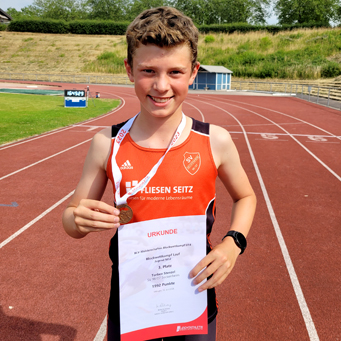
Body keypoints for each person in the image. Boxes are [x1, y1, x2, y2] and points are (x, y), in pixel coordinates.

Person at [62, 6, 256, 341]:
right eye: (148, 70)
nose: (161, 85)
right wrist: (78, 220)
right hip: (131, 300)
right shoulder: (106, 144)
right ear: (129, 69)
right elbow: (71, 219)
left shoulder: (215, 141)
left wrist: (233, 243)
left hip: (193, 297)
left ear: (194, 72)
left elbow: (246, 197)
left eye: (175, 72)